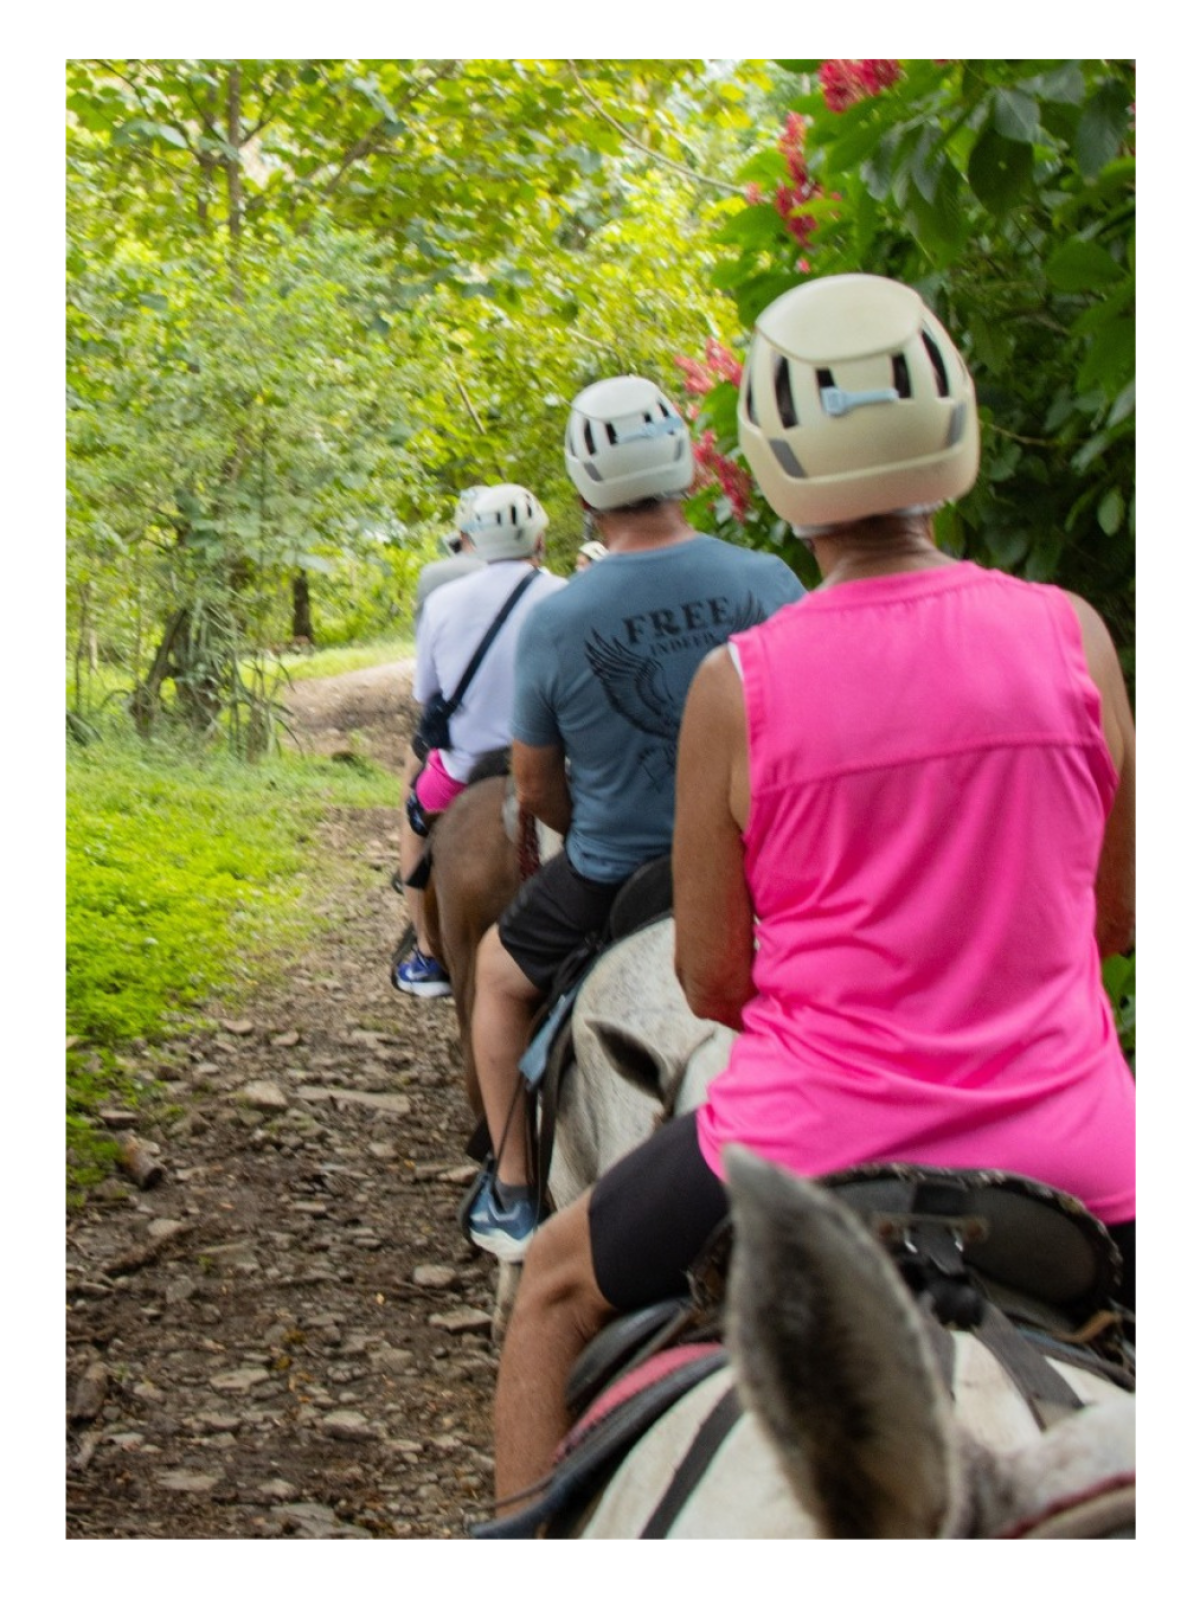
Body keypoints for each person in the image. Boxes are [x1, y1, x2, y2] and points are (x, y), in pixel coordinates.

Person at [489, 273, 1136, 1504]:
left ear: (770, 466)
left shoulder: (739, 683)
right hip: (1078, 1139)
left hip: (804, 1139)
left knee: (553, 1292)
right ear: (957, 435)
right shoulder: (1075, 633)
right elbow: (1120, 918)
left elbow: (709, 977)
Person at [465, 374, 804, 1257]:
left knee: (496, 976)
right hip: (764, 866)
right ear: (686, 468)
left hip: (617, 873)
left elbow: (534, 784)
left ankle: (512, 1189)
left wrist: (593, 822)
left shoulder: (560, 617)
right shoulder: (767, 579)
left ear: (585, 492)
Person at [393, 484, 567, 997]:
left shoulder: (443, 601)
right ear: (539, 539)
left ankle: (427, 952)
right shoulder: (566, 594)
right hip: (555, 768)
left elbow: (426, 692)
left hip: (462, 769)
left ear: (474, 540)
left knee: (414, 815)